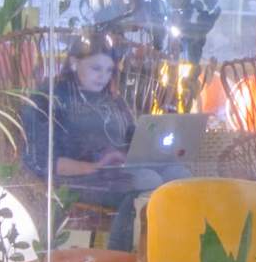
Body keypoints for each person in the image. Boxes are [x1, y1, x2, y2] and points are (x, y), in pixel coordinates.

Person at [20, 30, 161, 241]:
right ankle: (122, 253)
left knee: (178, 173)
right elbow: (42, 160)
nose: (103, 77)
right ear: (74, 63)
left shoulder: (111, 100)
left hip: (115, 173)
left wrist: (146, 148)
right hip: (76, 179)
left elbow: (131, 136)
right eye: (96, 68)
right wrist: (95, 167)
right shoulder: (50, 98)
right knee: (147, 183)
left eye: (108, 70)